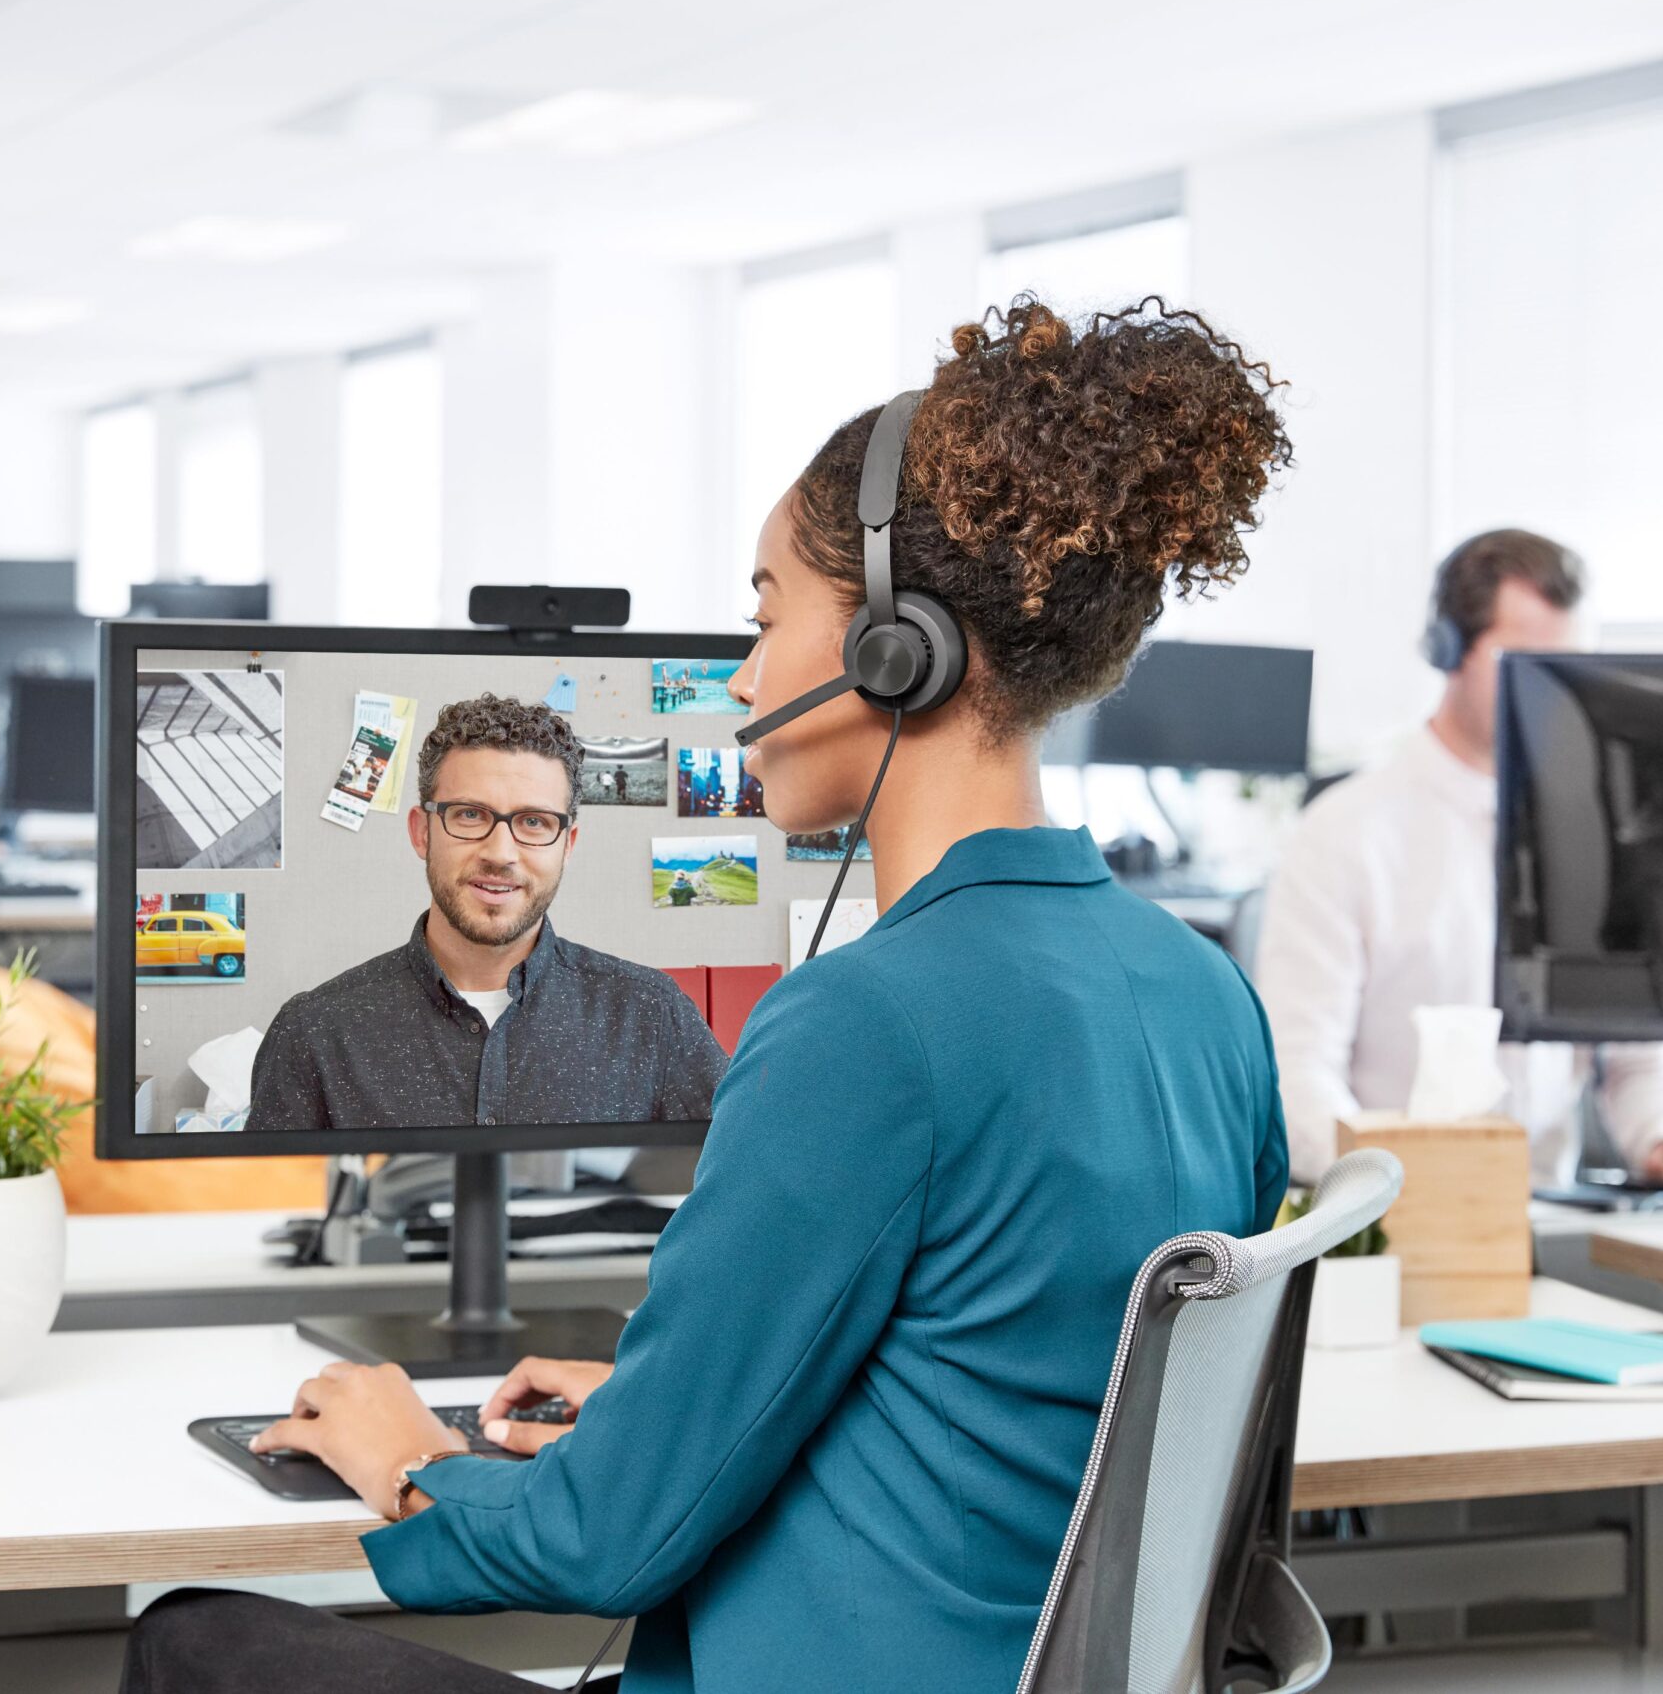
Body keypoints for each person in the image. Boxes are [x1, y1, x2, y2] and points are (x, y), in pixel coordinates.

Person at [121, 299, 1293, 1694]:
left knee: (194, 1641)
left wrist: (413, 1455)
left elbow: (603, 1545)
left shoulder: (866, 1022)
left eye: (766, 612)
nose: (740, 676)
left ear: (892, 648)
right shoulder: (1208, 991)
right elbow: (1020, 1388)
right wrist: (668, 1407)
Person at [1255, 530, 1663, 1188]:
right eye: (1526, 662)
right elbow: (1298, 1081)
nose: (1553, 694)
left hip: (1548, 1218)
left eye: (1571, 669)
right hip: (1396, 1225)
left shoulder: (1602, 837)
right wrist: (1399, 1185)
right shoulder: (1345, 834)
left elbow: (1637, 1058)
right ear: (1450, 650)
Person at [246, 694, 724, 1133]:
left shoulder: (652, 1016)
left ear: (567, 845)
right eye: (470, 815)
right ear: (422, 833)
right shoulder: (314, 1032)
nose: (501, 852)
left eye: (534, 822)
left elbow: (743, 1186)